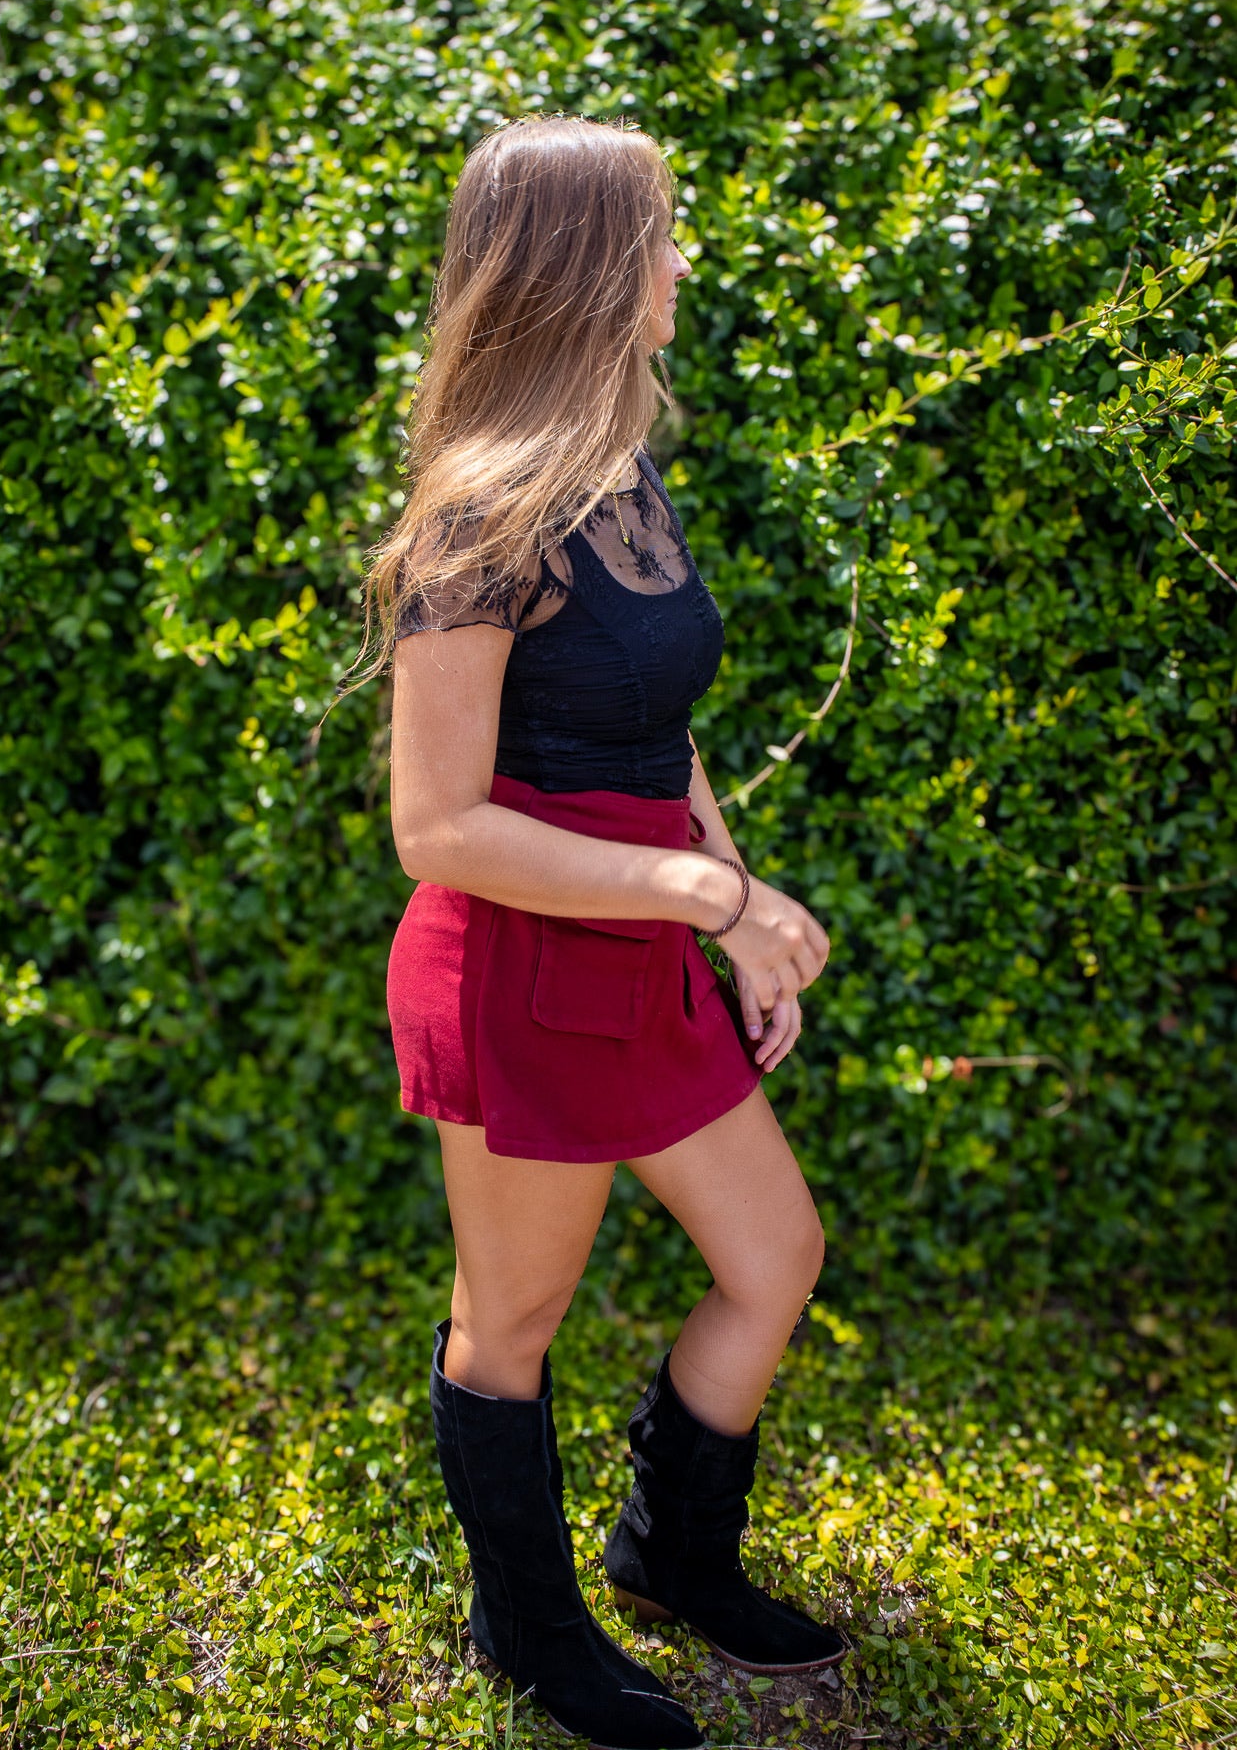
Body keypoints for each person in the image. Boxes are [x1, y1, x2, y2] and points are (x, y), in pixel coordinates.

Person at [352, 114, 843, 1750]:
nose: (679, 262)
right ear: (583, 267)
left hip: (635, 942)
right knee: (509, 1328)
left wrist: (734, 893)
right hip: (514, 962)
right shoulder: (476, 518)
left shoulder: (619, 469)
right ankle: (526, 1629)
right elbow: (437, 827)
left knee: (773, 1259)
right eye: (658, 234)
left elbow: (654, 731)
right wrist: (709, 899)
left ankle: (669, 1553)